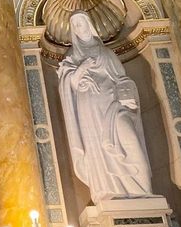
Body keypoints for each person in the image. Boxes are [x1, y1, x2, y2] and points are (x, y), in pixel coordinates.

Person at [58, 11, 153, 203]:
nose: (78, 27)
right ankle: (106, 190)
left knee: (129, 139)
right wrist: (81, 69)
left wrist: (128, 96)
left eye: (81, 23)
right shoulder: (72, 55)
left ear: (89, 24)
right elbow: (69, 84)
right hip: (89, 106)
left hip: (113, 104)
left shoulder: (107, 53)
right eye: (74, 25)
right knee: (97, 148)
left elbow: (122, 78)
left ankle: (142, 190)